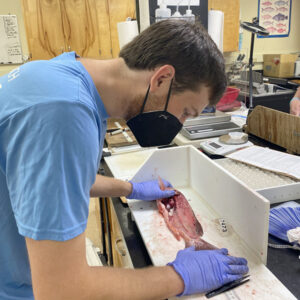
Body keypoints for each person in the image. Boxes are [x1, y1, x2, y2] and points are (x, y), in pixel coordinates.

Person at [0, 19, 248, 300]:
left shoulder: (65, 78)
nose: (179, 124)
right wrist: (178, 276)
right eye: (186, 112)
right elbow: (61, 289)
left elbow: (55, 181)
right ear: (162, 79)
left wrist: (129, 188)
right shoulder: (64, 113)